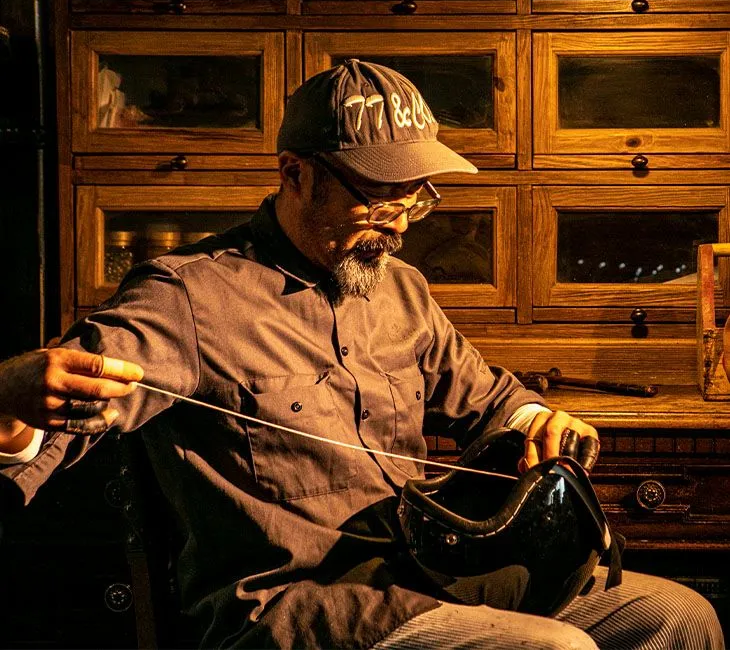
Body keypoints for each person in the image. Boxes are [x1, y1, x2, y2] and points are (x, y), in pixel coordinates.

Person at [0, 60, 723, 650]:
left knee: (678, 618)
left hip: (424, 577)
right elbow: (53, 422)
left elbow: (490, 398)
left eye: (417, 198)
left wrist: (540, 422)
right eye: (381, 198)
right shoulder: (186, 296)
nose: (402, 225)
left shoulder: (401, 289)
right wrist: (10, 404)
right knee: (553, 649)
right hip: (296, 607)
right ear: (296, 173)